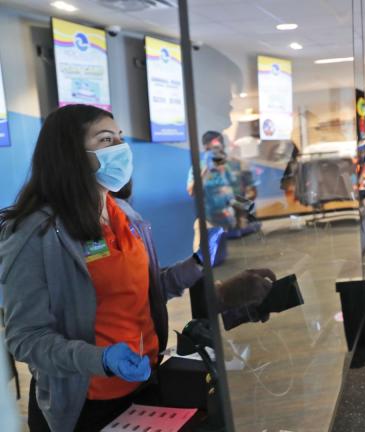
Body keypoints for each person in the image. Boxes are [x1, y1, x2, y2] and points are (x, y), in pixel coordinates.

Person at [0, 105, 274, 432]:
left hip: (144, 386)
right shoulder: (36, 234)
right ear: (70, 153)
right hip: (83, 406)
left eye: (120, 138)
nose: (121, 148)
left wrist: (198, 263)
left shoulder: (124, 214)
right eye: (106, 140)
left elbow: (146, 289)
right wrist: (100, 359)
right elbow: (26, 338)